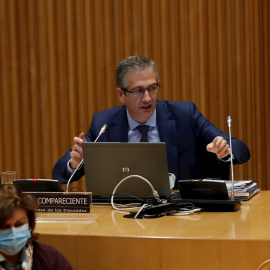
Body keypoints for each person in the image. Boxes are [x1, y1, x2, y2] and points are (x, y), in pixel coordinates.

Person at [52, 55, 250, 185]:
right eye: (138, 90)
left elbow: (241, 148)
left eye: (152, 88)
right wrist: (75, 162)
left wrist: (225, 150)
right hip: (123, 215)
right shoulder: (104, 124)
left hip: (183, 215)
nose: (147, 98)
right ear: (121, 94)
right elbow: (59, 172)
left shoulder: (184, 115)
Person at [0, 184, 73, 270]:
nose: (13, 233)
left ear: (29, 223)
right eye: (4, 227)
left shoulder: (52, 258)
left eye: (19, 224)